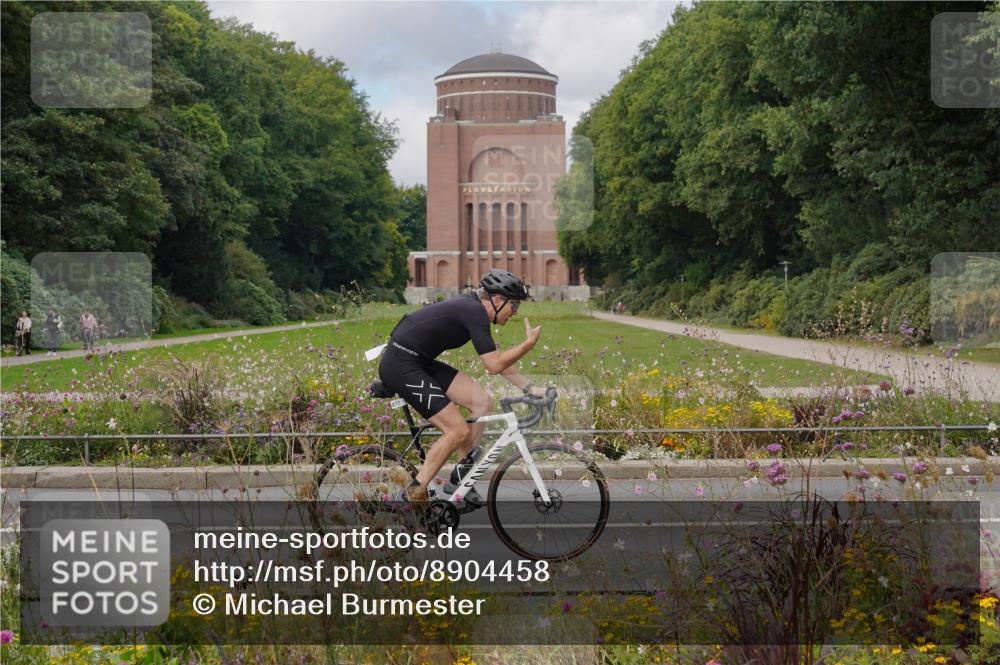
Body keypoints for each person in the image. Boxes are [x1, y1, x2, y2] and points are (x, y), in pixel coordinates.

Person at [378, 268, 545, 505]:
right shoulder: (473, 311)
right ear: (497, 300)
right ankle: (412, 495)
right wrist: (528, 345)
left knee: (481, 401)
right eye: (514, 305)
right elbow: (494, 365)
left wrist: (529, 388)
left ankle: (461, 479)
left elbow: (494, 359)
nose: (515, 313)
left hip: (419, 361)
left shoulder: (474, 311)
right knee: (457, 430)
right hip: (402, 364)